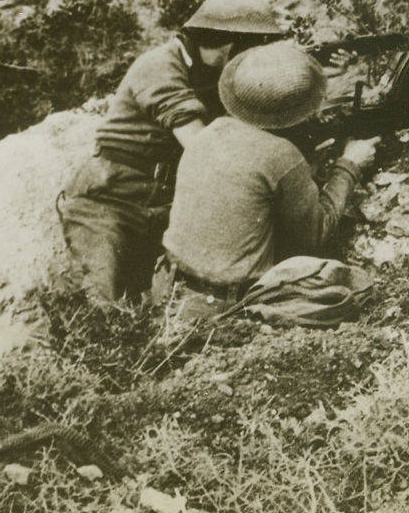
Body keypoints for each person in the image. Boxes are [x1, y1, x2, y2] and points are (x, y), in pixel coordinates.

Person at [56, 0, 287, 302]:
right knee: (100, 299)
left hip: (167, 203)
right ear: (230, 49)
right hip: (110, 200)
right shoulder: (159, 66)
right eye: (251, 52)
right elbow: (201, 147)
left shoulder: (209, 72)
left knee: (167, 302)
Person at [153, 42, 380, 323]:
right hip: (223, 307)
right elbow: (317, 233)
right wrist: (349, 165)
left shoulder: (211, 131)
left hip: (167, 288)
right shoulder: (282, 154)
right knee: (355, 287)